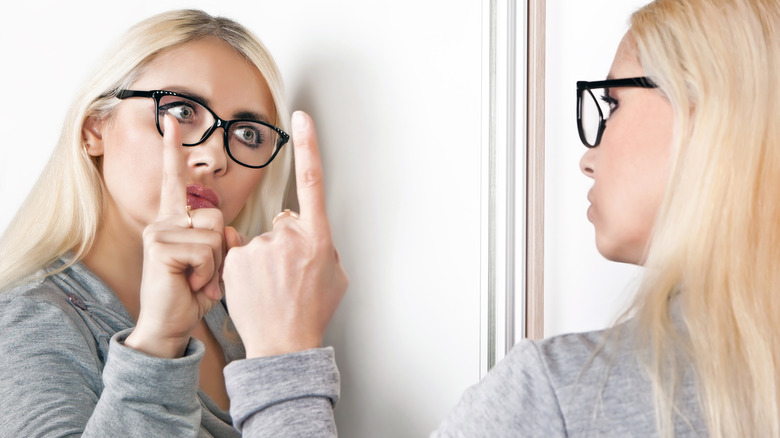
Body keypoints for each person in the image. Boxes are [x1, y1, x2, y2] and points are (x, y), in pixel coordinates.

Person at [206, 0, 779, 436]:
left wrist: (282, 363)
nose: (587, 156)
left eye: (612, 105)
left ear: (707, 113)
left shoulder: (566, 393)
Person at [0, 9, 347, 437]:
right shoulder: (25, 319)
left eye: (247, 134)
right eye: (182, 111)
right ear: (95, 128)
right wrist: (159, 343)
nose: (215, 157)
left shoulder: (247, 308)